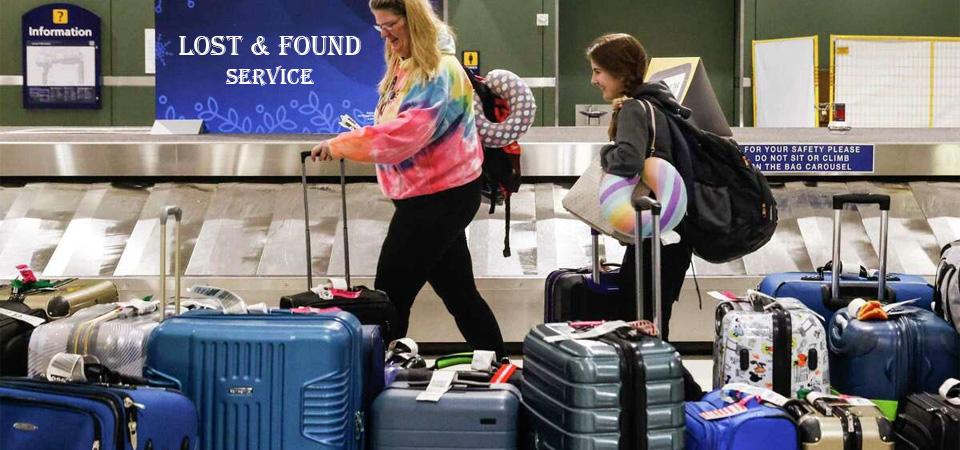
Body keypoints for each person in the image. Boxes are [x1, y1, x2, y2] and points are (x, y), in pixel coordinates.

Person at [310, 0, 506, 358]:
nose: (384, 35)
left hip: (438, 198)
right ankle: (498, 364)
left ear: (412, 21)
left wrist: (342, 145)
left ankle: (374, 377)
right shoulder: (408, 65)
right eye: (379, 27)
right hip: (437, 194)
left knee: (391, 294)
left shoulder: (438, 71)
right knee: (459, 293)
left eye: (390, 25)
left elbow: (405, 135)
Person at [588, 33, 694, 343]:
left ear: (619, 72)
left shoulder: (634, 108)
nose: (594, 80)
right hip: (673, 231)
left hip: (654, 233)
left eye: (598, 71)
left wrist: (605, 153)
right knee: (656, 319)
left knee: (639, 320)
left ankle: (649, 371)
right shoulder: (660, 103)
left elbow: (628, 161)